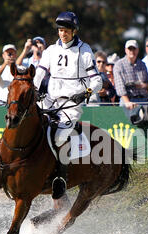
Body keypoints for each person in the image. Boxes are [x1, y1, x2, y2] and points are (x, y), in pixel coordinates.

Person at [33, 11, 102, 199]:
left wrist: (86, 93)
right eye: (60, 30)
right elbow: (39, 74)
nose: (63, 34)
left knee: (60, 137)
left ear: (74, 31)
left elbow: (97, 81)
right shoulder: (50, 51)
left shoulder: (84, 50)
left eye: (66, 30)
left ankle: (60, 178)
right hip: (48, 100)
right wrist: (35, 89)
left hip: (71, 104)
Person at [113, 39, 148, 126]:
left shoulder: (142, 64)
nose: (132, 51)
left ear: (137, 50)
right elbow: (120, 87)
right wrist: (127, 102)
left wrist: (142, 86)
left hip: (143, 100)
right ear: (126, 50)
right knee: (128, 127)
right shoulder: (119, 65)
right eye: (130, 49)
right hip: (128, 100)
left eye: (134, 49)